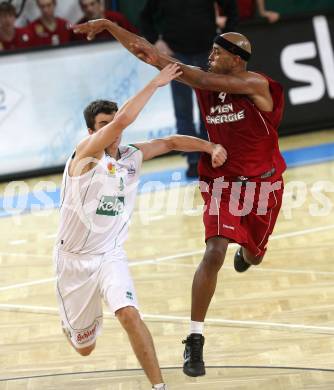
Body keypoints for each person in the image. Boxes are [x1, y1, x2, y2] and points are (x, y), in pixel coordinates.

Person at [72, 19, 286, 378]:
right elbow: (150, 53)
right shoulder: (204, 80)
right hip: (223, 183)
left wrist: (180, 70)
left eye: (217, 52)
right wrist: (110, 25)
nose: (210, 55)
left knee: (254, 254)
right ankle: (195, 338)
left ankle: (249, 254)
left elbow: (201, 78)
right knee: (213, 252)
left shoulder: (257, 84)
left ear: (237, 59)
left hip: (264, 187)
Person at [54, 63, 227, 390]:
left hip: (109, 255)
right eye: (104, 125)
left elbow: (172, 142)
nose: (114, 130)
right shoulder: (85, 155)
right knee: (84, 349)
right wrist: (156, 83)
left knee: (129, 314)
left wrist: (209, 146)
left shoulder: (131, 155)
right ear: (92, 132)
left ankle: (159, 387)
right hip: (73, 262)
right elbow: (124, 119)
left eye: (114, 124)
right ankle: (72, 325)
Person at [140, 0, 238, 178]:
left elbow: (231, 7)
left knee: (209, 109)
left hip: (208, 53)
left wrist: (225, 41)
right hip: (176, 56)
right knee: (183, 109)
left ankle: (211, 156)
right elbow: (144, 18)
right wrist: (155, 41)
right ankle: (193, 161)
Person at [71, 0, 137, 42]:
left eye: (92, 4)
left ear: (100, 4)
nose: (89, 9)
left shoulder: (117, 18)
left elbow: (135, 38)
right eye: (85, 6)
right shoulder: (79, 29)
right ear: (81, 8)